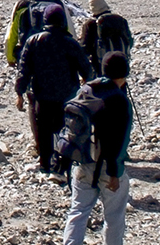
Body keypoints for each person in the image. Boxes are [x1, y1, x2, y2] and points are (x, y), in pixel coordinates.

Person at [62, 52, 135, 245]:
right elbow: (119, 140)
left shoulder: (86, 90)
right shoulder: (119, 100)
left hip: (82, 161)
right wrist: (114, 172)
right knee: (114, 216)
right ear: (124, 73)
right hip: (107, 168)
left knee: (78, 211)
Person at [17, 5, 88, 176]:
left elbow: (24, 70)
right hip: (68, 94)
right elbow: (86, 68)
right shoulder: (70, 42)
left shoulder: (33, 41)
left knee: (44, 129)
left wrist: (19, 93)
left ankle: (44, 164)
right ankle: (63, 164)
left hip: (42, 94)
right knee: (65, 129)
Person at [4, 0, 77, 68]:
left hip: (28, 55)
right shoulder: (58, 3)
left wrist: (10, 58)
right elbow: (70, 30)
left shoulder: (23, 4)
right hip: (56, 55)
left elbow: (11, 34)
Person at [78, 0, 134, 73]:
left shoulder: (90, 24)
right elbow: (130, 42)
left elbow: (85, 48)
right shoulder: (120, 20)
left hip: (101, 68)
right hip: (121, 67)